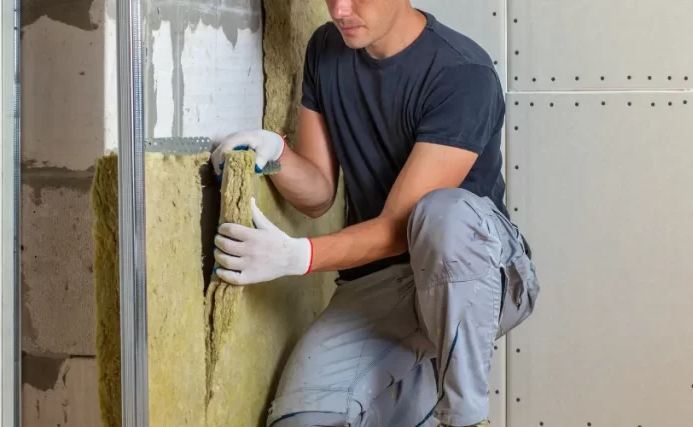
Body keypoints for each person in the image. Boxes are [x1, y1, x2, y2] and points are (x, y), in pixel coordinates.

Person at [209, 1, 541, 426]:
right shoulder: (326, 48)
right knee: (302, 421)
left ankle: (466, 418)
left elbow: (398, 229)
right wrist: (276, 154)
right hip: (380, 279)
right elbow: (318, 195)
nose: (340, 9)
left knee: (444, 214)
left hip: (476, 273)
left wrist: (297, 256)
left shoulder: (462, 73)